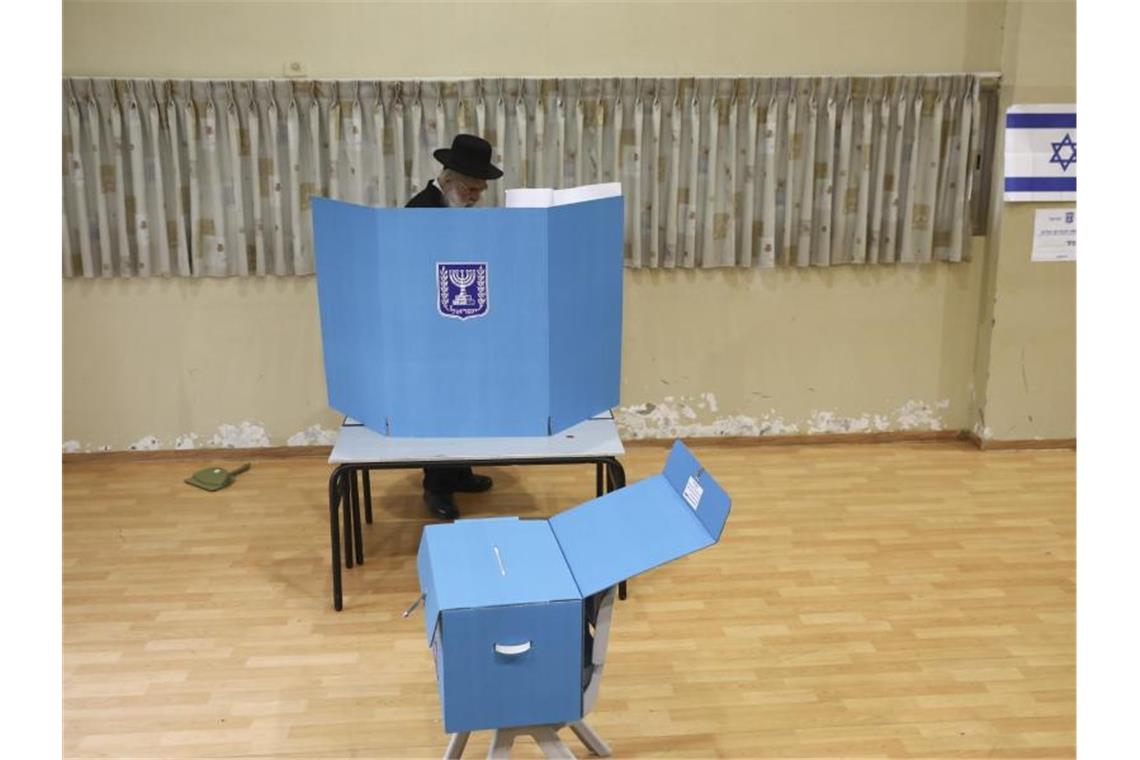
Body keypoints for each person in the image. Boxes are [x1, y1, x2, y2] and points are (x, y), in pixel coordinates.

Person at [406, 134, 504, 519]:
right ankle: (437, 487)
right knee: (440, 408)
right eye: (471, 188)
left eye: (481, 190)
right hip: (430, 328)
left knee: (464, 401)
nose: (477, 196)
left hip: (461, 322)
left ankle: (460, 471)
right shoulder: (419, 211)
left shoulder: (455, 209)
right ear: (448, 180)